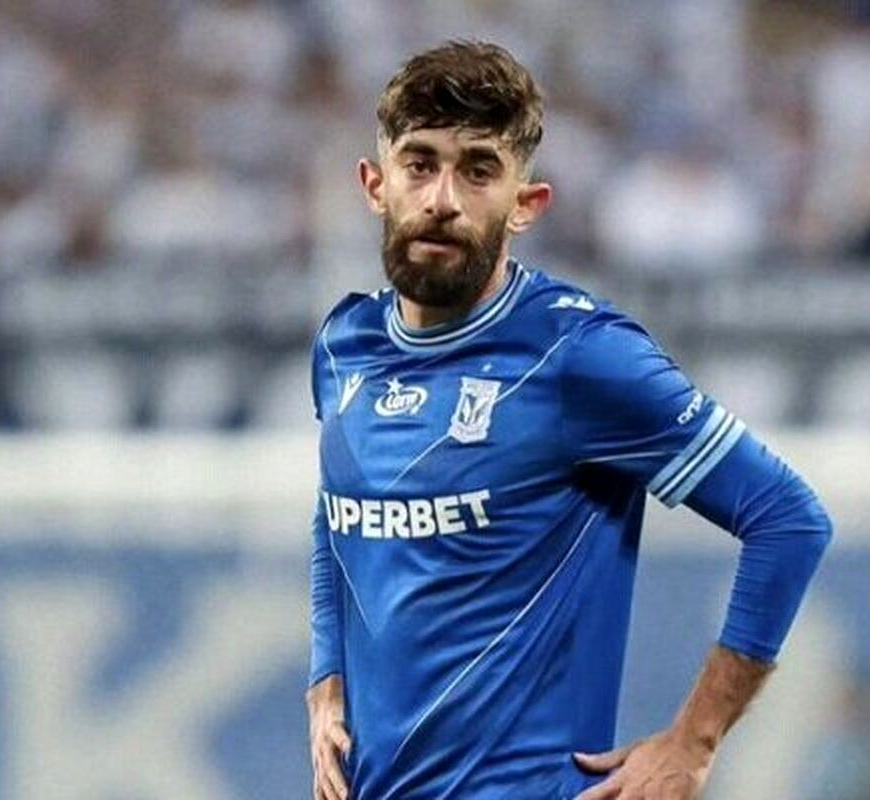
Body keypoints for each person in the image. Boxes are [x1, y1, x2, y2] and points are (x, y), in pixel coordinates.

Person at [306, 40, 832, 800]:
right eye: (419, 164)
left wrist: (694, 740)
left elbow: (787, 517)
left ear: (526, 204)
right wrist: (326, 677)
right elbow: (338, 514)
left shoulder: (579, 356)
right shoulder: (343, 344)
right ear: (375, 184)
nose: (442, 198)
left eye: (478, 170)